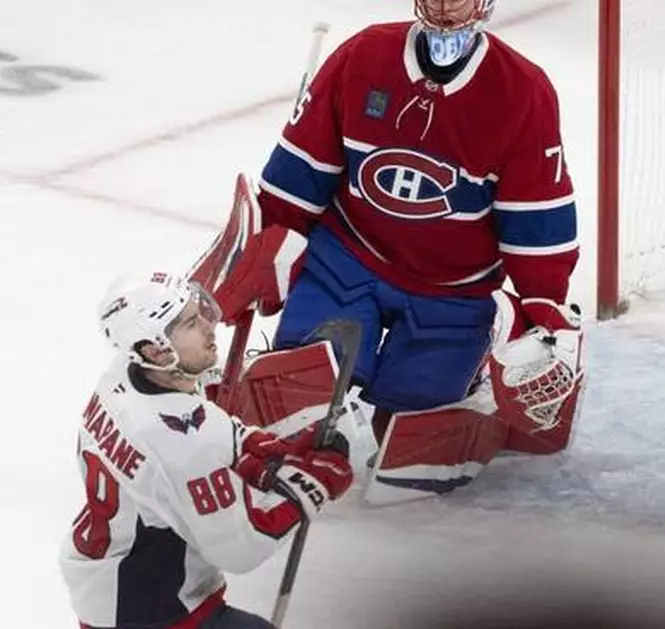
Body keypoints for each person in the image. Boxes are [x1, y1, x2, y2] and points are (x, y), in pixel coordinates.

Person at [196, 0, 585, 505]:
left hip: (454, 290)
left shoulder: (523, 91)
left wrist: (542, 310)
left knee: (409, 437)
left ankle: (485, 347)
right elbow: (302, 168)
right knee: (298, 391)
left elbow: (537, 218)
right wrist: (271, 242)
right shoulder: (365, 54)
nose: (446, 8)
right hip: (348, 257)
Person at [60, 271, 354, 629]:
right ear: (155, 348)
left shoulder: (124, 375)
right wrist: (309, 485)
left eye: (199, 312)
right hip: (149, 611)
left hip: (108, 580)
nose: (209, 327)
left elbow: (205, 426)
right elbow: (242, 545)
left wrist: (268, 451)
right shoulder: (179, 445)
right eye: (189, 324)